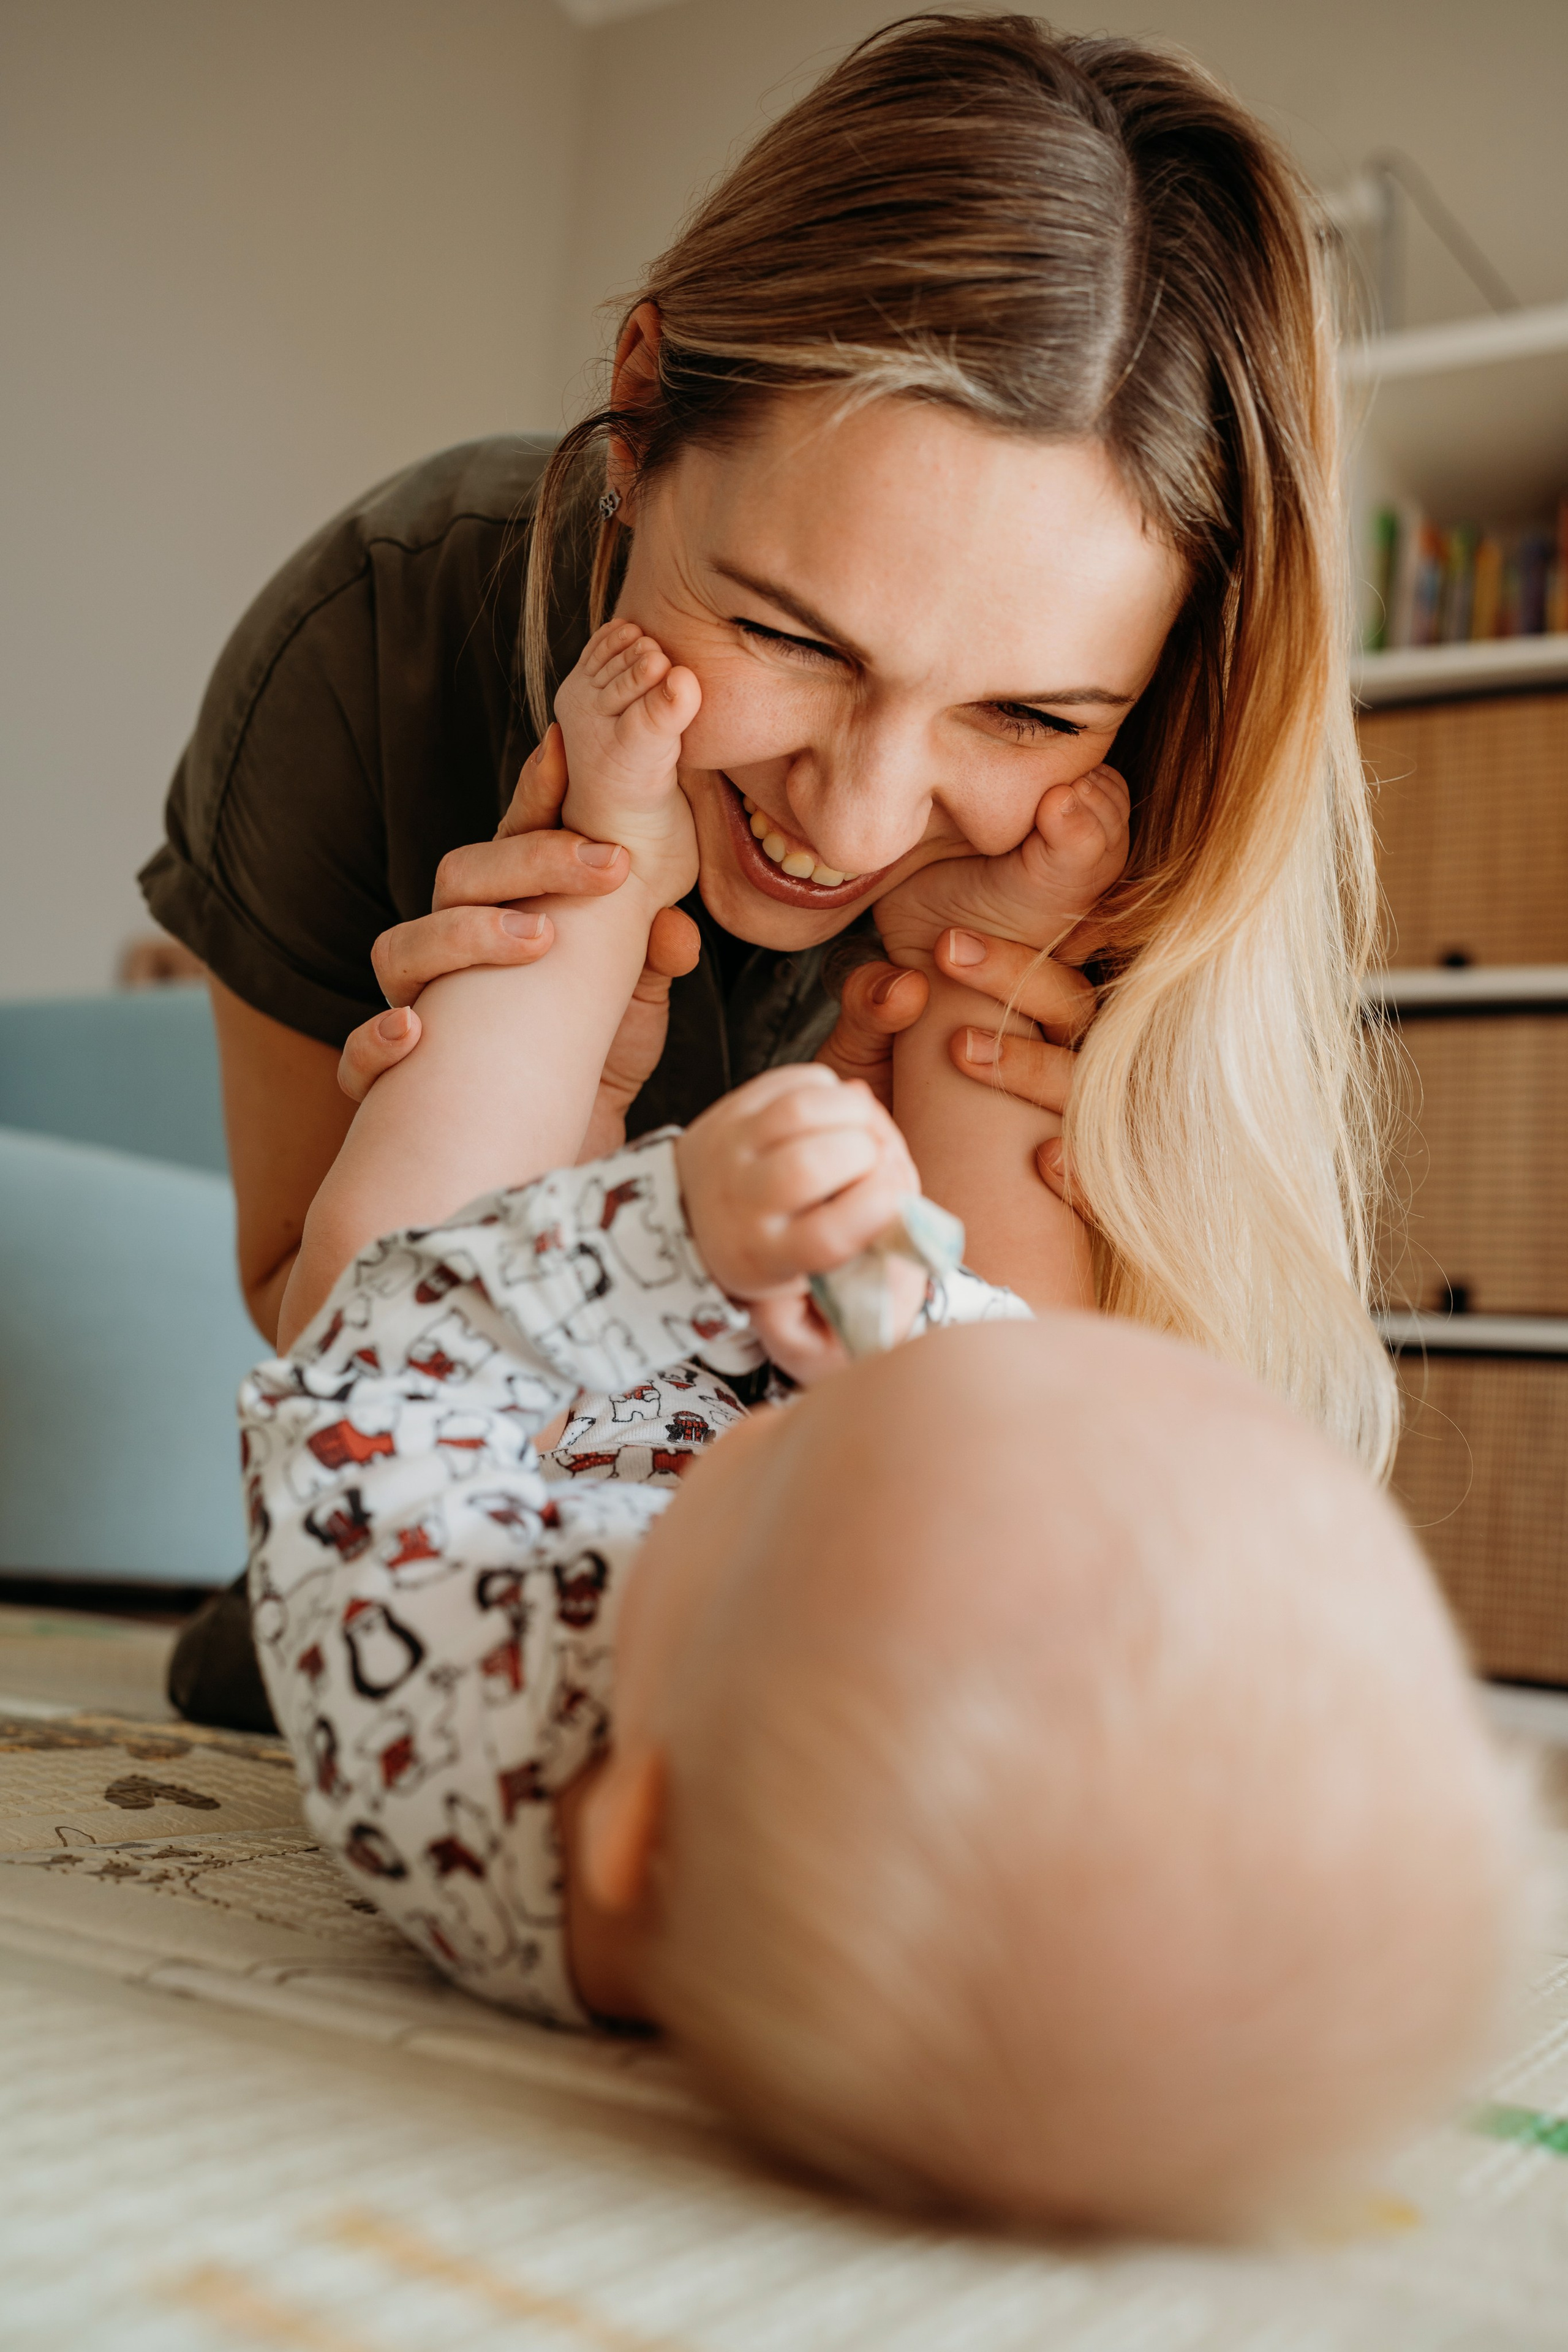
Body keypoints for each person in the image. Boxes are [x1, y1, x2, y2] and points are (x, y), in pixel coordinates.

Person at [152, 16, 1397, 1725]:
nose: (867, 819)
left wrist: (977, 1046)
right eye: (785, 637)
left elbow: (1057, 1491)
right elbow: (355, 1361)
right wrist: (567, 957)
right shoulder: (377, 636)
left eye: (1027, 713)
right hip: (468, 1611)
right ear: (644, 411)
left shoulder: (1154, 821)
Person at [243, 632, 1531, 2234]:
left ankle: (598, 877)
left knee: (393, 1232)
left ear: (631, 1827)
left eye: (777, 1450)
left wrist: (672, 1228)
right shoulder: (791, 1775)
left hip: (517, 1398)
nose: (761, 1422)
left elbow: (375, 1382)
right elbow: (944, 1409)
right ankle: (974, 980)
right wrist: (873, 1274)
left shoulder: (445, 1782)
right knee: (1023, 1354)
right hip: (829, 1420)